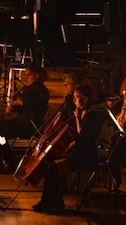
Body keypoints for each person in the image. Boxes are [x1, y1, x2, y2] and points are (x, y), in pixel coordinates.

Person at [34, 84, 106, 213]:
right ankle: (49, 202)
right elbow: (76, 139)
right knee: (49, 165)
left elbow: (83, 137)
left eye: (76, 97)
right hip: (79, 154)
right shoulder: (81, 113)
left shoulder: (92, 116)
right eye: (73, 97)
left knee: (52, 169)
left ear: (85, 99)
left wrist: (77, 118)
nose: (74, 100)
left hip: (87, 158)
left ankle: (55, 204)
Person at [0, 62, 50, 172]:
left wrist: (21, 101)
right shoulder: (30, 89)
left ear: (37, 75)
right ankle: (1, 161)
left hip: (31, 125)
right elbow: (25, 108)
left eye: (29, 75)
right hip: (22, 121)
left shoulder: (42, 91)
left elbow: (36, 110)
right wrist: (13, 108)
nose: (26, 78)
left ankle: (9, 161)